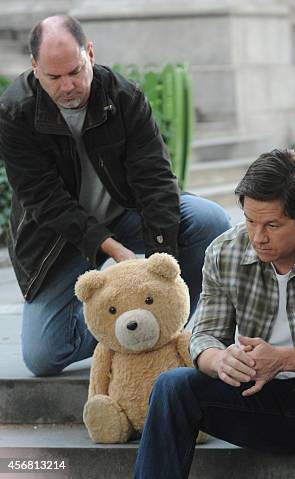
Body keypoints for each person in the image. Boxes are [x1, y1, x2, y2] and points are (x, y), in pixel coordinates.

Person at [134, 149, 295, 479]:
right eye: (250, 221)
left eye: (273, 224)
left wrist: (282, 359)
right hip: (261, 401)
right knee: (173, 385)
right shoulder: (224, 251)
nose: (258, 237)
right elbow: (202, 336)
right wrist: (220, 360)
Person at [0, 16, 231, 377]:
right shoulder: (15, 112)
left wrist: (160, 264)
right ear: (34, 68)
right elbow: (43, 199)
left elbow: (155, 181)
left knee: (210, 220)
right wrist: (114, 251)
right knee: (43, 355)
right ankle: (123, 324)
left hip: (126, 213)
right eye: (54, 77)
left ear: (90, 53)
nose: (67, 86)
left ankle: (176, 322)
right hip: (60, 238)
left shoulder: (124, 96)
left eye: (76, 71)